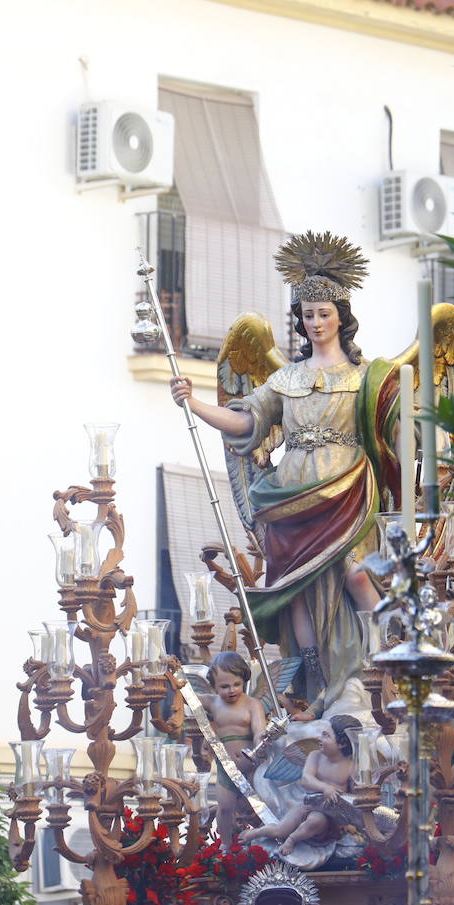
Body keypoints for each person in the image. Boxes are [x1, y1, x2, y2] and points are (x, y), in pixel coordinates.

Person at [170, 232, 402, 719]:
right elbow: (247, 423)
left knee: (357, 575)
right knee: (293, 586)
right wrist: (194, 403)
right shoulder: (284, 379)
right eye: (307, 315)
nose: (315, 323)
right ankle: (312, 678)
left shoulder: (369, 377)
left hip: (349, 490)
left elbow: (399, 434)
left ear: (342, 317)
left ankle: (378, 661)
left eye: (324, 313)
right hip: (291, 494)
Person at [238, 714, 362, 858]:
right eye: (321, 734)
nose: (320, 739)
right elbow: (306, 779)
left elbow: (357, 793)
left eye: (326, 736)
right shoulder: (315, 756)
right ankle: (255, 833)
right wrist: (325, 788)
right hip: (308, 805)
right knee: (280, 830)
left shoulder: (351, 766)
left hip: (331, 816)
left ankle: (292, 839)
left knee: (316, 820)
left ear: (342, 744)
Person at [201, 650, 269, 846]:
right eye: (224, 686)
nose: (231, 690)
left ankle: (261, 841)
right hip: (226, 766)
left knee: (257, 807)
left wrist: (259, 744)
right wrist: (173, 672)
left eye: (236, 684)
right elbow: (186, 692)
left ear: (244, 680)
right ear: (213, 686)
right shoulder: (213, 703)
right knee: (224, 807)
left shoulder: (252, 704)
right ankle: (226, 844)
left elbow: (258, 730)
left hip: (250, 764)